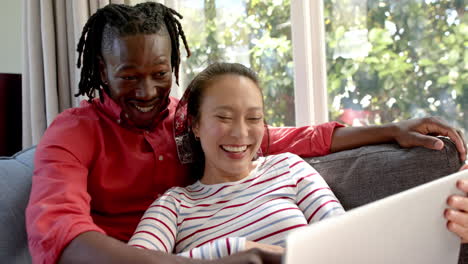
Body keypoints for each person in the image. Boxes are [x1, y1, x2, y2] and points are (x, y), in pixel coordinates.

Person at [25, 2, 467, 264]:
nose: (147, 91)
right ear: (102, 69)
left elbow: (274, 139)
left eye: (160, 74)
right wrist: (229, 254)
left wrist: (391, 128)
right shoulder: (72, 135)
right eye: (129, 76)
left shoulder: (183, 117)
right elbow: (64, 238)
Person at [127, 62, 346, 259]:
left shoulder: (289, 168)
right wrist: (235, 249)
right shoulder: (173, 206)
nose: (240, 133)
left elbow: (345, 243)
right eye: (224, 117)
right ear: (195, 124)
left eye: (253, 118)